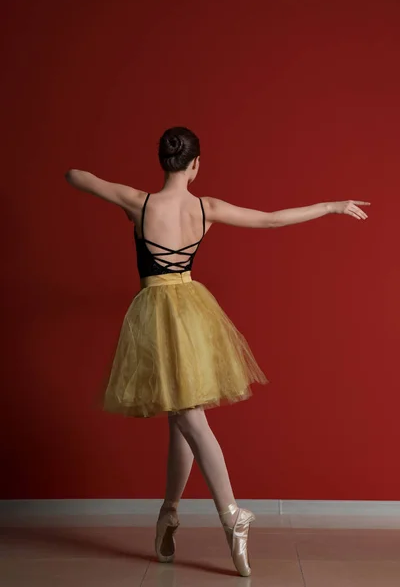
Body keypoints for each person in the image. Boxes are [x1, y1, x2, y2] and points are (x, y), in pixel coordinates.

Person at [65, 126, 370, 577]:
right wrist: (331, 206)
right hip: (191, 314)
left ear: (163, 162)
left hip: (154, 313)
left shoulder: (137, 201)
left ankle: (231, 514)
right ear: (195, 165)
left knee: (188, 416)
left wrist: (96, 180)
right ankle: (169, 511)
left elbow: (75, 175)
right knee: (180, 418)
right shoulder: (207, 208)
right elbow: (270, 219)